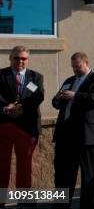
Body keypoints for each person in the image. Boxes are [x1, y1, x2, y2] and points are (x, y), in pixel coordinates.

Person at [52, 52, 94, 208]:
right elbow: (56, 102)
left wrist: (76, 96)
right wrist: (58, 98)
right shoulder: (69, 81)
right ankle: (61, 205)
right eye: (73, 67)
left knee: (88, 175)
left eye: (78, 66)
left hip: (88, 136)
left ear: (86, 62)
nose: (75, 70)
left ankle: (86, 205)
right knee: (63, 174)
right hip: (66, 135)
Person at [0, 46, 44, 201]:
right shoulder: (1, 75)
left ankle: (24, 198)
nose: (20, 61)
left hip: (27, 127)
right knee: (2, 163)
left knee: (25, 163)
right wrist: (5, 107)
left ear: (28, 60)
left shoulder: (35, 77)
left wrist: (22, 107)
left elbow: (38, 96)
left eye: (23, 58)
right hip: (4, 124)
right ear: (10, 58)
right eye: (17, 58)